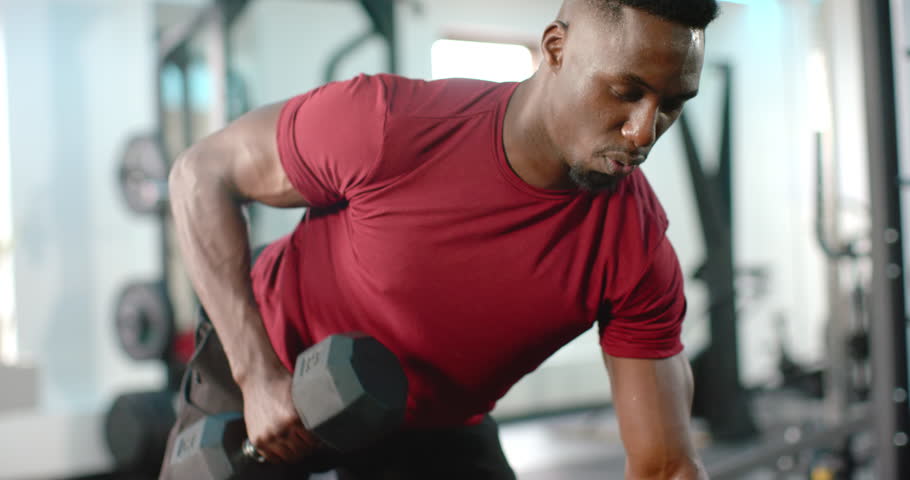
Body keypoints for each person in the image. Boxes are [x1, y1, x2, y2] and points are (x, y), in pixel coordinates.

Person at [162, 0, 719, 478]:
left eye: (672, 104)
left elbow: (666, 466)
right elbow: (199, 174)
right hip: (271, 363)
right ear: (555, 49)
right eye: (626, 91)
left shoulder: (637, 251)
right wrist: (257, 376)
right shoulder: (386, 126)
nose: (644, 132)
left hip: (432, 421)